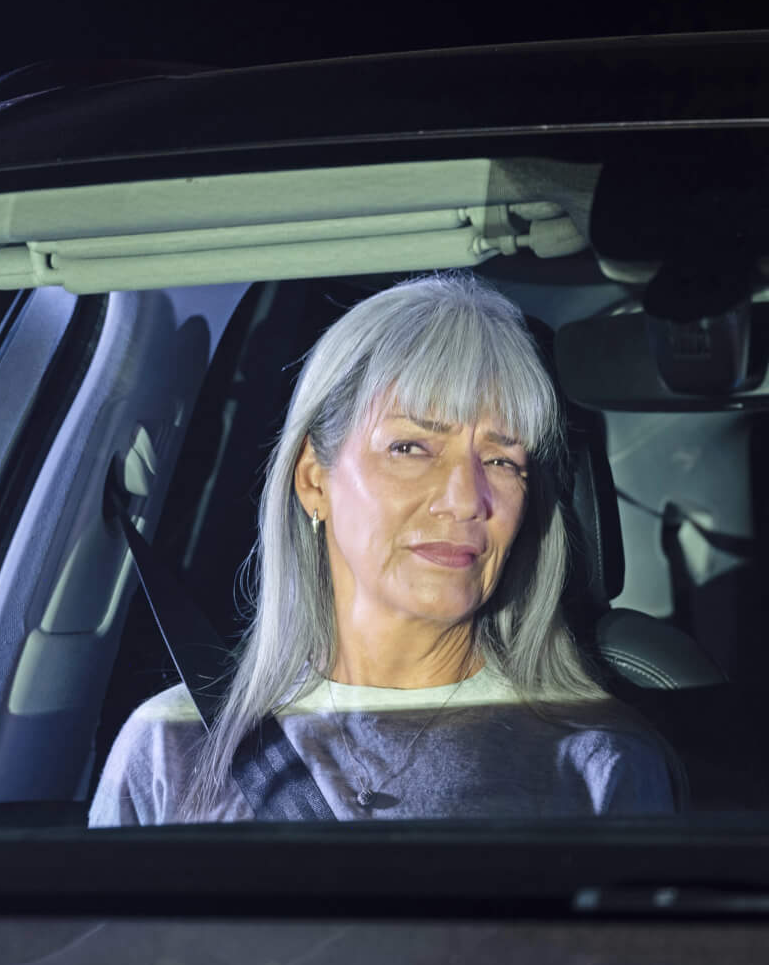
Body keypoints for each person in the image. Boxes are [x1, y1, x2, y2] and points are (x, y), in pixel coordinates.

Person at [91, 273, 677, 825]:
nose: (466, 499)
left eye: (502, 461)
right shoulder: (171, 747)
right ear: (314, 481)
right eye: (412, 448)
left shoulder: (598, 768)